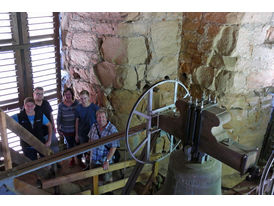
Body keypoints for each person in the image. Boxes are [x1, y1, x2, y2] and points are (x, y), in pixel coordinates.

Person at [88, 108, 120, 183]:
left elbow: (114, 146)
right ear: (96, 118)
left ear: (106, 118)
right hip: (93, 159)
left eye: (103, 117)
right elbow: (90, 140)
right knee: (95, 181)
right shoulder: (94, 126)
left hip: (104, 161)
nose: (101, 119)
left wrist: (107, 161)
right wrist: (88, 153)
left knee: (107, 180)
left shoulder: (112, 129)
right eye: (99, 117)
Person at [75, 90, 99, 169]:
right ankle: (87, 165)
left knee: (93, 149)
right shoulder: (78, 108)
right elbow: (77, 121)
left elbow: (99, 120)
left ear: (88, 97)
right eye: (81, 99)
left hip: (93, 133)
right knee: (85, 149)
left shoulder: (94, 107)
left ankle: (94, 166)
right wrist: (77, 134)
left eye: (85, 98)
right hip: (83, 133)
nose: (83, 100)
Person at [33, 87, 59, 154]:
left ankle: (57, 164)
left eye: (41, 94)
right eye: (37, 94)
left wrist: (54, 126)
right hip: (39, 134)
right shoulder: (30, 106)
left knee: (55, 149)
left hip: (50, 131)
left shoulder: (46, 103)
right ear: (34, 94)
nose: (40, 95)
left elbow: (51, 115)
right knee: (43, 153)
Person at [57, 88, 79, 166]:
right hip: (66, 130)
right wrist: (58, 128)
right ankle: (72, 159)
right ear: (64, 95)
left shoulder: (76, 103)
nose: (67, 96)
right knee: (70, 146)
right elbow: (59, 117)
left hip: (76, 129)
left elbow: (79, 115)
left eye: (69, 94)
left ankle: (80, 160)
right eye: (66, 94)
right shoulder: (61, 105)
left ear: (72, 95)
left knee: (78, 145)